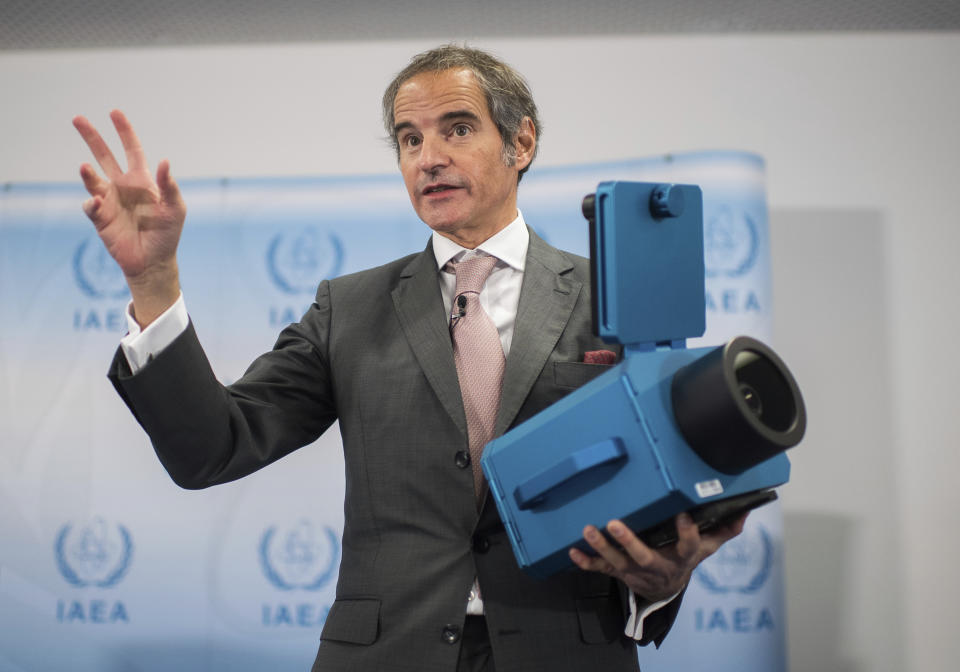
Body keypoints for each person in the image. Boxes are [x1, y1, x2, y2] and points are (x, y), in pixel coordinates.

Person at [73, 45, 746, 672]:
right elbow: (214, 448)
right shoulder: (349, 308)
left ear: (522, 142)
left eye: (457, 128)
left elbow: (668, 482)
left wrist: (664, 579)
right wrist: (153, 283)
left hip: (567, 649)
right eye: (409, 138)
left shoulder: (614, 299)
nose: (428, 157)